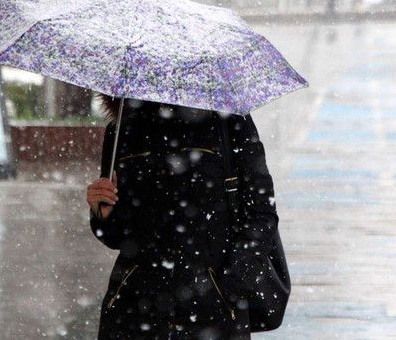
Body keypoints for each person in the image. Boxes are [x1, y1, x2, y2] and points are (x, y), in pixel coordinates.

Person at [86, 97, 278, 339]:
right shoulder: (122, 129)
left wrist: (228, 286)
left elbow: (262, 214)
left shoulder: (228, 123)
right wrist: (103, 212)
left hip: (213, 313)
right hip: (135, 310)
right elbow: (115, 236)